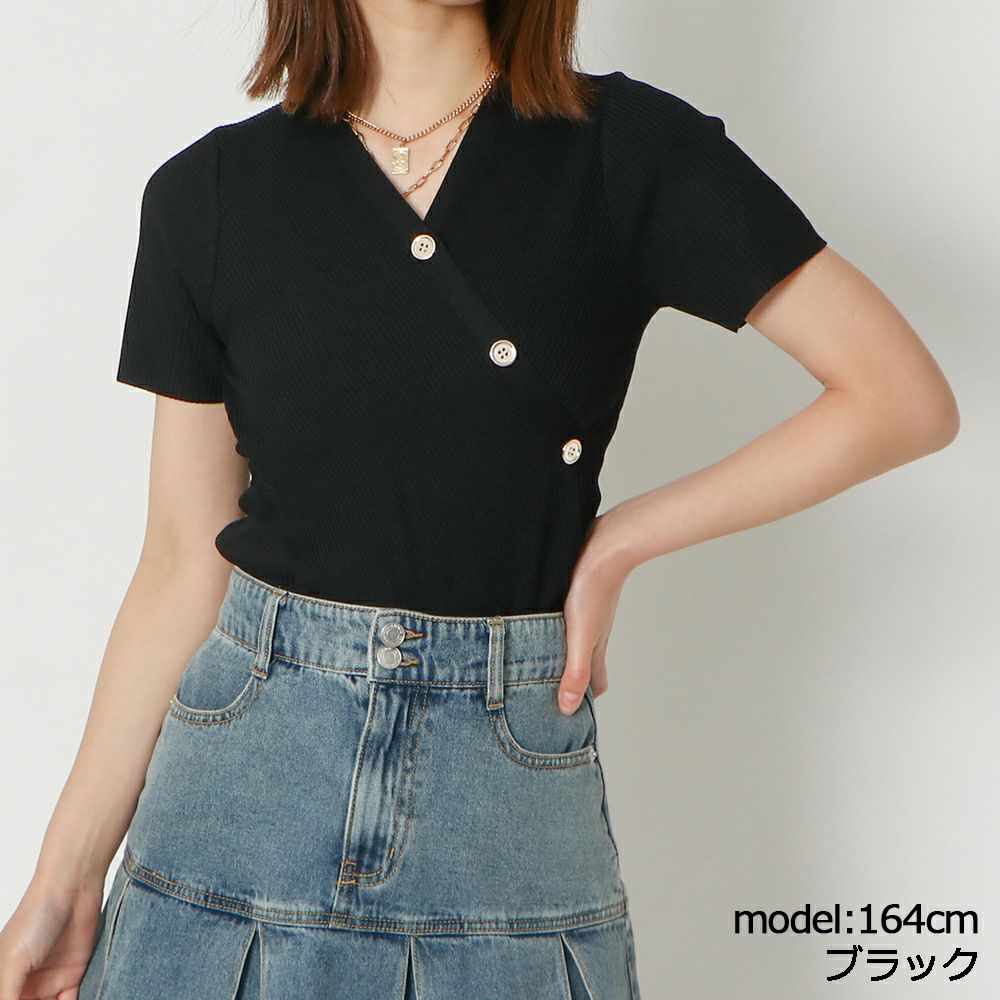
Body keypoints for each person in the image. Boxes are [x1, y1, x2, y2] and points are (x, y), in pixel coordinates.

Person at [0, 0, 959, 997]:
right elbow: (179, 561)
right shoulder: (208, 193)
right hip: (232, 815)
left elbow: (898, 397)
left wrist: (622, 538)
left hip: (505, 816)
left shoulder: (627, 150)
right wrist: (64, 878)